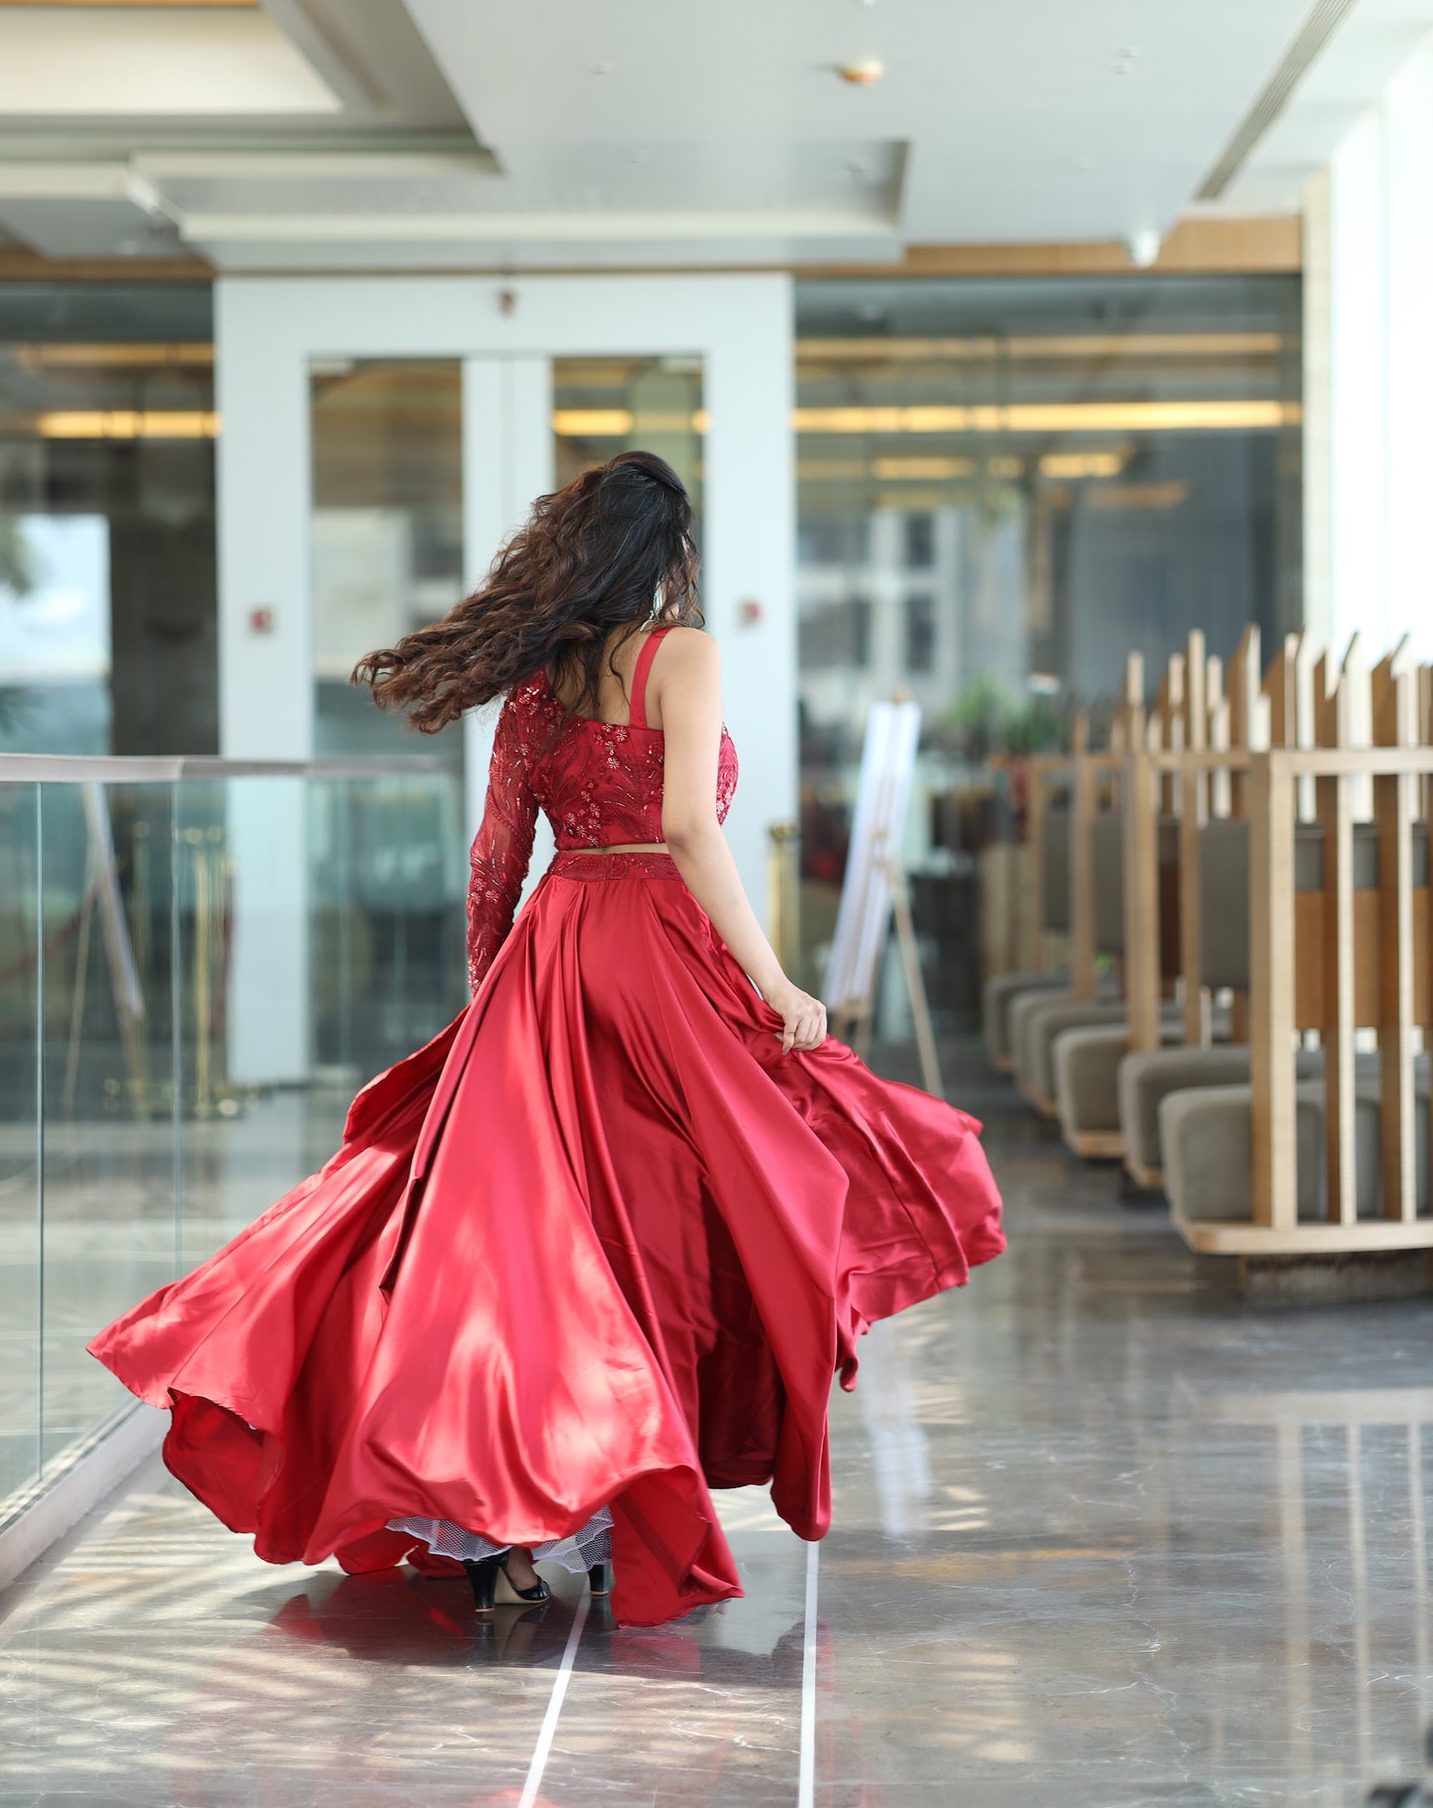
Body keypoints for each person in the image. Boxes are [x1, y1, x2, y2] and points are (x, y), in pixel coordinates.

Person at [89, 450, 1004, 1627]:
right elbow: (686, 826)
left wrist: (492, 1007)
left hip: (554, 953)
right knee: (681, 1221)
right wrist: (771, 976)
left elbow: (492, 861)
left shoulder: (534, 689)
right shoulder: (685, 656)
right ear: (663, 556)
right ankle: (619, 1496)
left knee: (536, 1250)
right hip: (664, 959)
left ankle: (519, 1525)